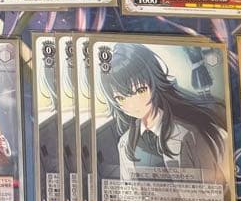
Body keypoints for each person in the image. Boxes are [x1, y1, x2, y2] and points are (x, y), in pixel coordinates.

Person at [97, 42, 228, 185]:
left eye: (140, 90)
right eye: (120, 98)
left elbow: (216, 187)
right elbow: (127, 191)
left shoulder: (188, 134)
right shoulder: (124, 143)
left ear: (154, 84)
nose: (132, 104)